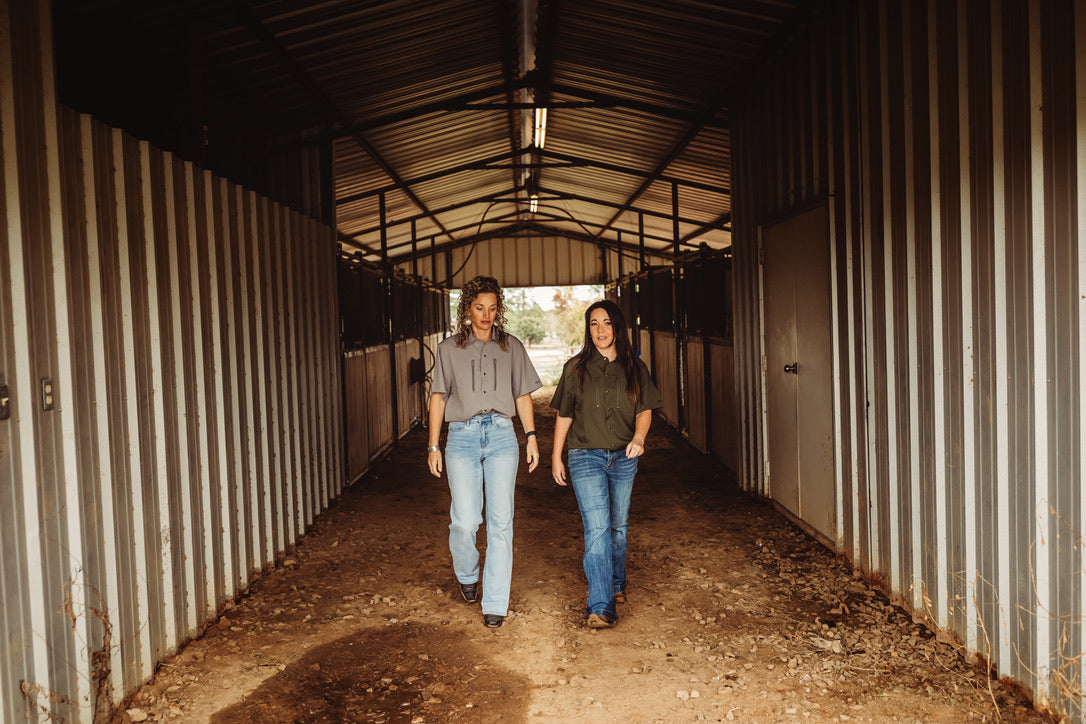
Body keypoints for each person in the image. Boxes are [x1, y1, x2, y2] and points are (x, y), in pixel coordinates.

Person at [427, 275, 542, 628]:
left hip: (503, 436)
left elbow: (522, 394)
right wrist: (433, 444)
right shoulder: (448, 349)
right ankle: (467, 573)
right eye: (479, 308)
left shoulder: (512, 347)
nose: (486, 315)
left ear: (499, 310)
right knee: (465, 521)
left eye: (492, 308)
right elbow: (438, 397)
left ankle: (495, 600)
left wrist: (532, 436)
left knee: (500, 520)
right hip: (460, 437)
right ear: (467, 309)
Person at [550, 299, 663, 628]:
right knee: (597, 528)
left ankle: (615, 583)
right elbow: (564, 414)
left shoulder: (634, 367)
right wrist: (556, 455)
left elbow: (645, 409)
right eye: (594, 324)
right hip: (585, 455)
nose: (600, 330)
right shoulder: (575, 368)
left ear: (618, 327)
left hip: (624, 457)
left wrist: (639, 439)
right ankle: (601, 605)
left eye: (606, 323)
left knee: (618, 528)